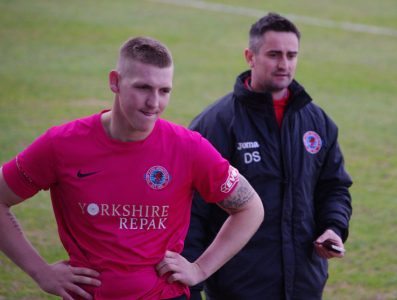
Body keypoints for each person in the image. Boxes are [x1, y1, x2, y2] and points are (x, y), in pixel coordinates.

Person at [0, 36, 264, 300]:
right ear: (115, 81)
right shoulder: (62, 144)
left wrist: (200, 269)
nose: (154, 103)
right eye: (143, 87)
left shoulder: (188, 147)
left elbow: (250, 207)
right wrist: (39, 272)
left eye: (164, 91)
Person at [182, 12, 353, 300]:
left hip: (304, 285)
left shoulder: (318, 123)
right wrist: (190, 286)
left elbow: (333, 187)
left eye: (291, 55)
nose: (284, 64)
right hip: (238, 287)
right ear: (250, 56)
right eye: (274, 54)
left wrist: (333, 228)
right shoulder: (216, 124)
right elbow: (192, 212)